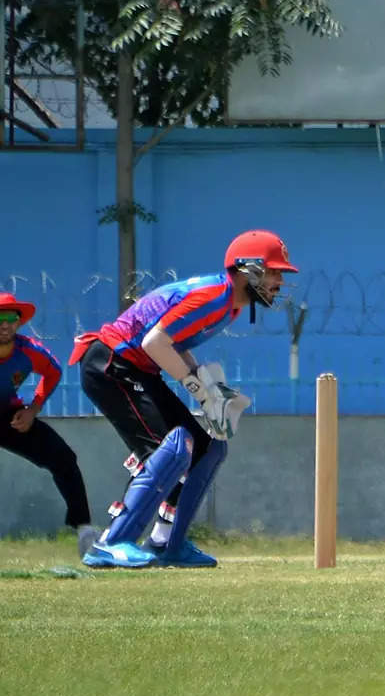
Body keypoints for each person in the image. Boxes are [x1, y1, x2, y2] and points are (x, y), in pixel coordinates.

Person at [69, 230, 298, 568]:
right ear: (248, 269)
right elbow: (154, 343)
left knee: (208, 449)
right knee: (175, 446)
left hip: (136, 369)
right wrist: (197, 390)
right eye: (274, 271)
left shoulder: (228, 306)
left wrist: (210, 390)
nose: (279, 281)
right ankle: (110, 542)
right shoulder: (213, 298)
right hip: (111, 365)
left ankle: (166, 543)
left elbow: (173, 345)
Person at [0, 292, 98, 557]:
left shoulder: (29, 351)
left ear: (18, 323)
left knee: (64, 458)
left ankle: (85, 532)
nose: (4, 324)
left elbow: (53, 371)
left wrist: (33, 409)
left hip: (10, 416)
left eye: (10, 318)